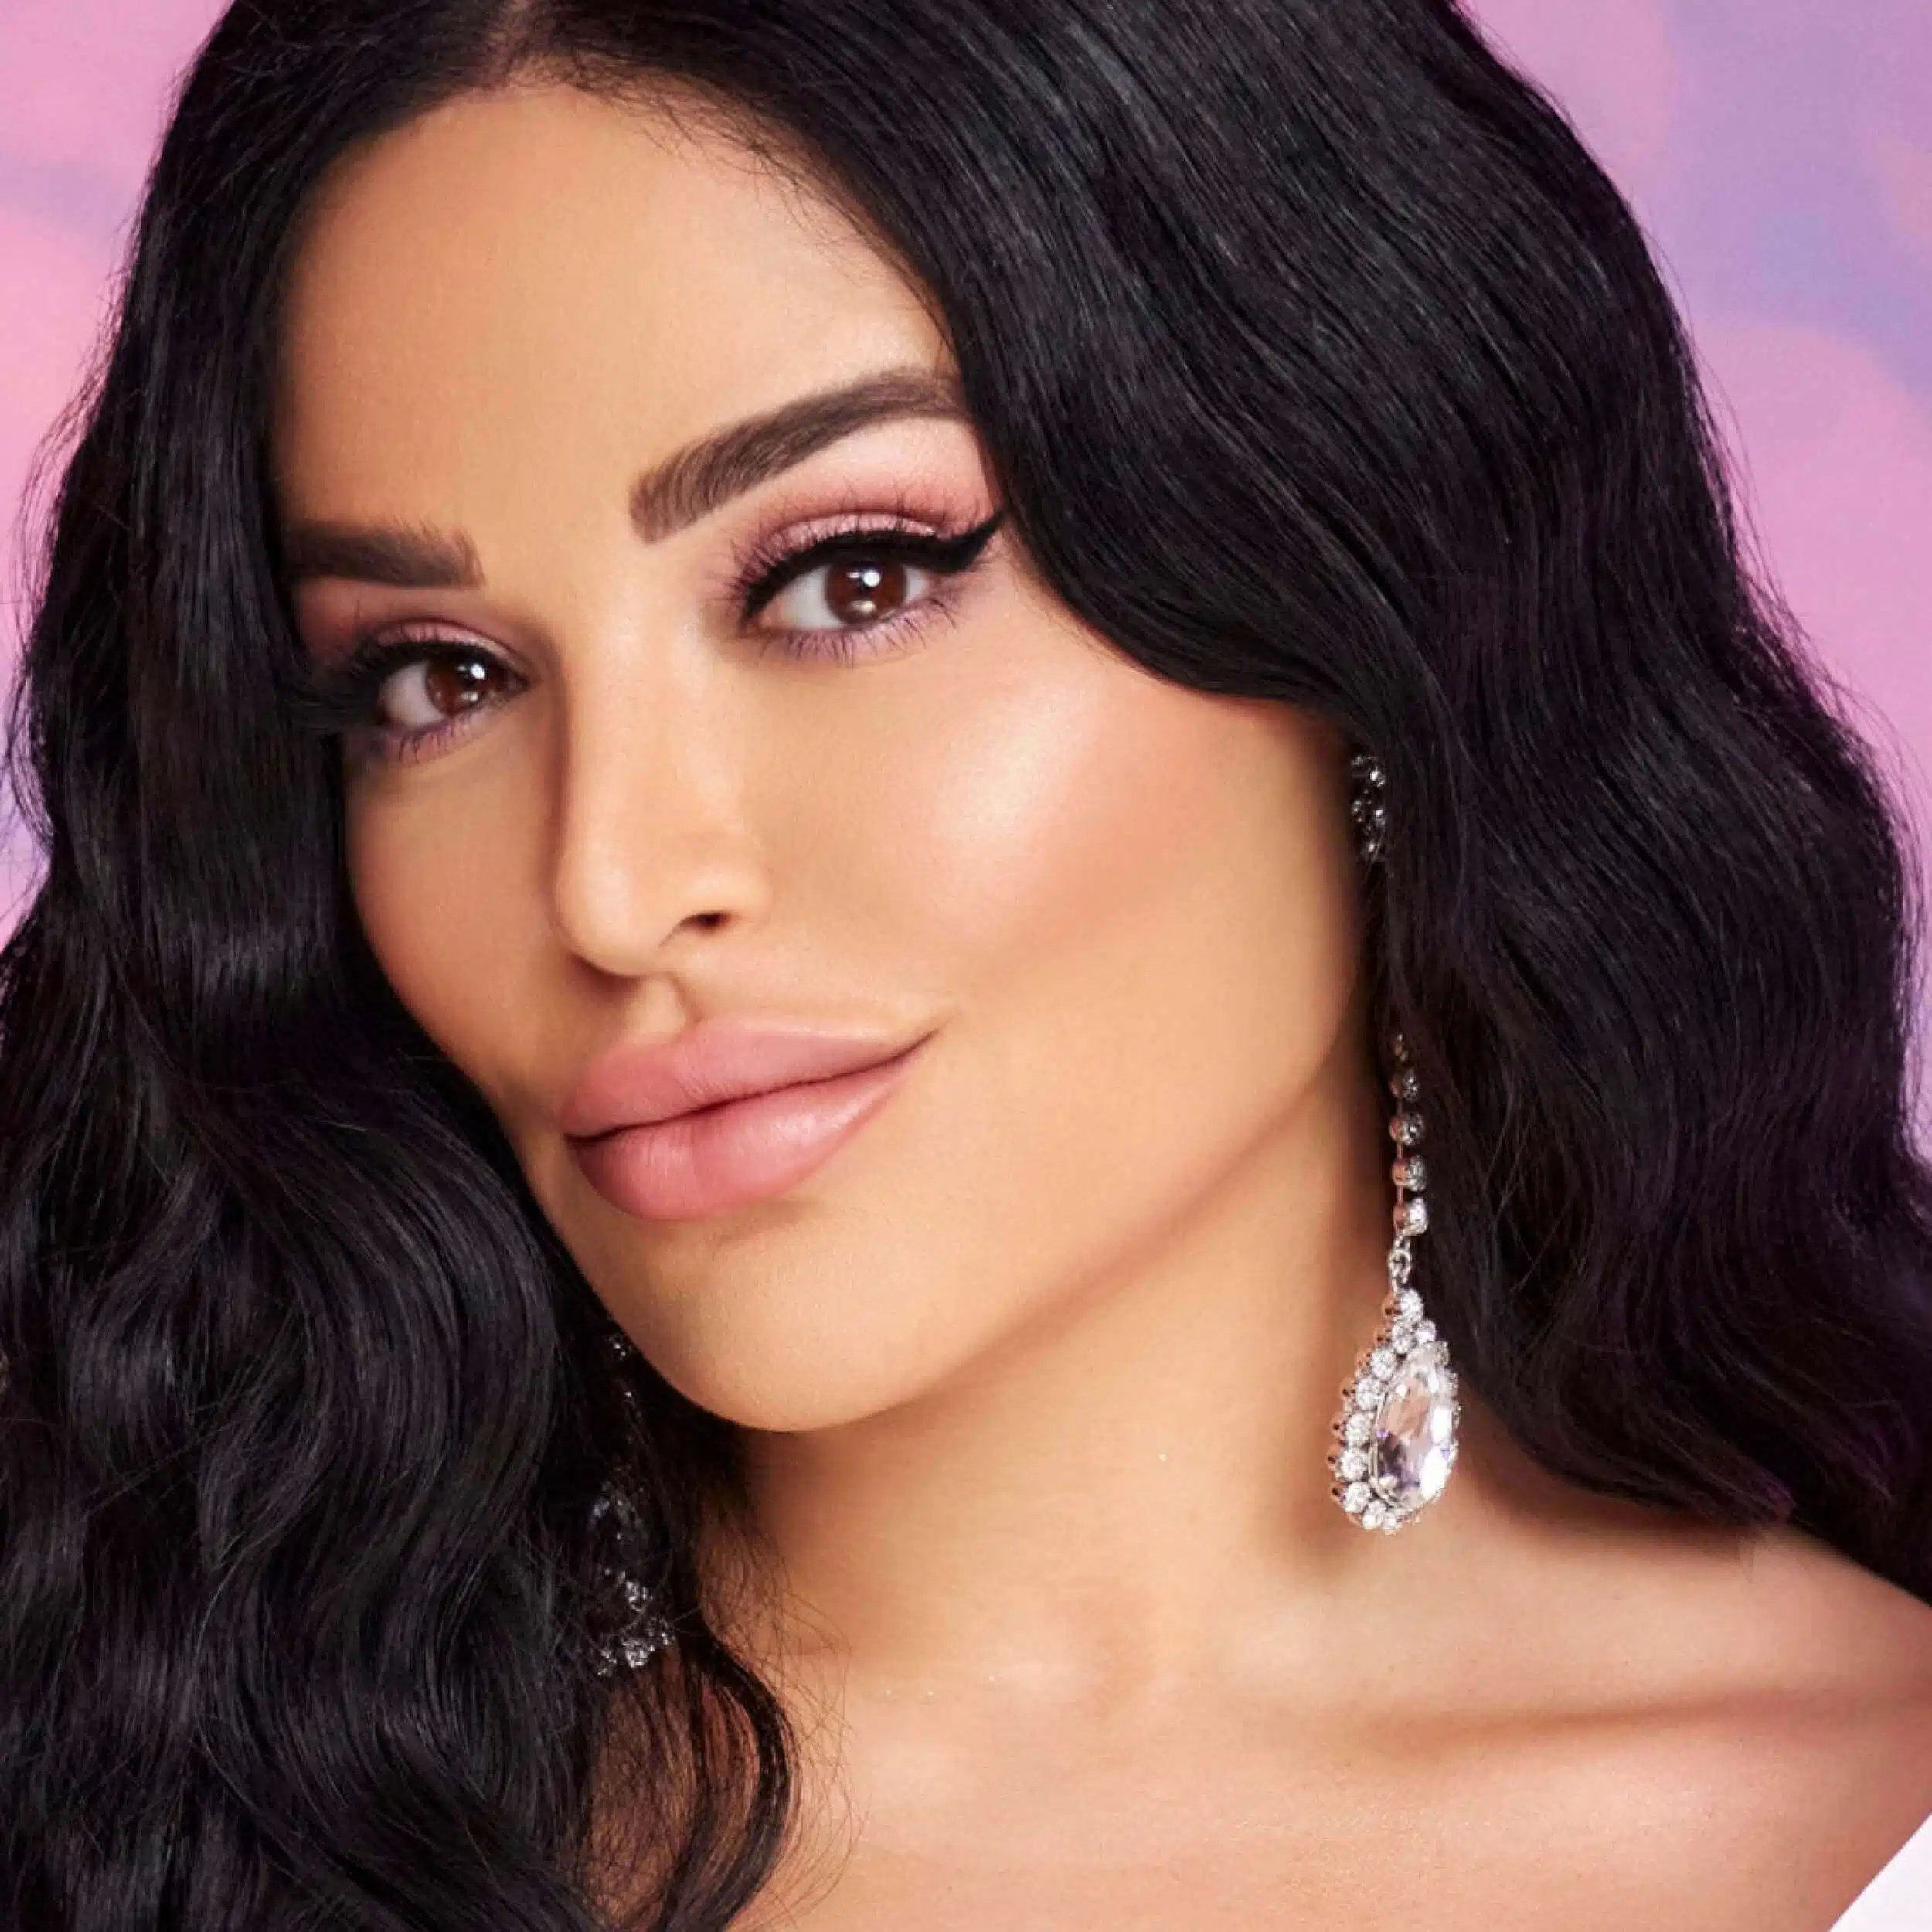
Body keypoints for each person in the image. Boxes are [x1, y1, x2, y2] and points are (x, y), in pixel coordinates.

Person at [3, 2, 1930, 1927]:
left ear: (1370, 602)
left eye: (852, 576)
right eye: (438, 679)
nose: (603, 881)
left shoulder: (1866, 1820)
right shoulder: (126, 1786)